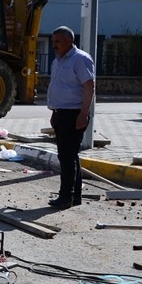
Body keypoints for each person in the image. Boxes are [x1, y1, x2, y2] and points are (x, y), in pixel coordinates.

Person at [46, 26, 95, 209]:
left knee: (67, 157)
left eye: (58, 41)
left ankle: (65, 196)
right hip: (60, 113)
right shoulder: (57, 61)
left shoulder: (80, 59)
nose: (54, 45)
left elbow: (90, 87)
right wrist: (54, 113)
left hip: (74, 114)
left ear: (69, 41)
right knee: (69, 156)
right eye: (53, 42)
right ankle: (75, 196)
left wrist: (84, 114)